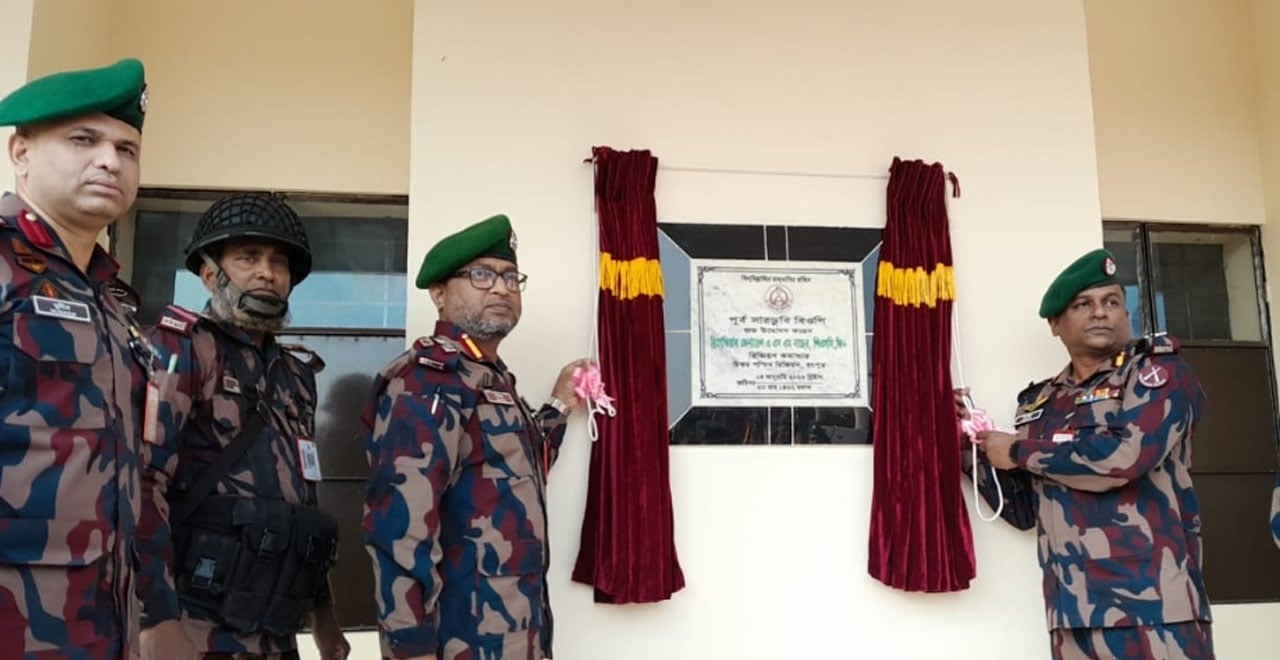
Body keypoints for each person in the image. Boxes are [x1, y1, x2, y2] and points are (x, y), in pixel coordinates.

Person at [363, 214, 589, 659]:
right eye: (482, 275)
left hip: (516, 636)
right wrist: (410, 651)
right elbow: (399, 534)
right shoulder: (427, 381)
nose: (501, 288)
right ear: (439, 294)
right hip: (459, 640)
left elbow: (520, 467)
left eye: (510, 277)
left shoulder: (488, 377)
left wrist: (560, 402)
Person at [970, 248, 1213, 659]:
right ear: (1055, 324)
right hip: (1073, 613)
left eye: (1111, 302)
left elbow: (1124, 459)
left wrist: (1016, 449)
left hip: (1154, 609)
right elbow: (1026, 510)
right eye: (1083, 304)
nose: (1100, 312)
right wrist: (971, 447)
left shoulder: (1157, 374)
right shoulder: (1039, 403)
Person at [138, 193, 349, 660]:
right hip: (194, 627)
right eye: (248, 258)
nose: (267, 273)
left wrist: (324, 616)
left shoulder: (295, 375)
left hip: (275, 627)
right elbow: (141, 483)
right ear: (210, 273)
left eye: (279, 262)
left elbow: (302, 502)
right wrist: (154, 617)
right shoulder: (182, 350)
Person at [0, 58, 163, 659]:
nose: (110, 161)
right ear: (21, 152)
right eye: (83, 140)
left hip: (98, 622)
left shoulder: (111, 300)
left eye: (126, 149)